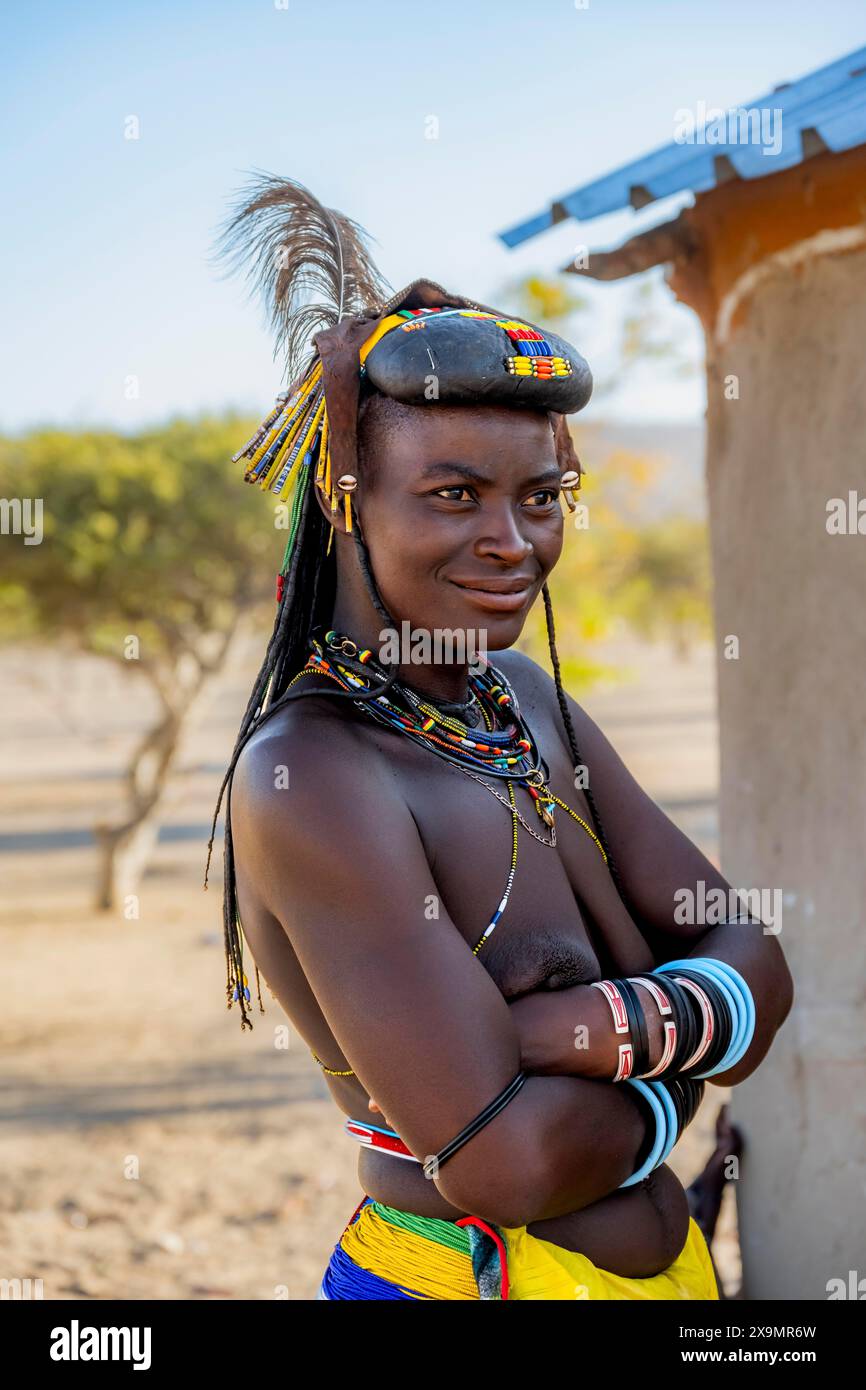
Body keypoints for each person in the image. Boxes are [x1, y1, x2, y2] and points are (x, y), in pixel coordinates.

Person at [207, 174, 794, 1300]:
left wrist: (578, 1029)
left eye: (541, 496)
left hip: (668, 1271)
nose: (512, 541)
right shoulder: (313, 775)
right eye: (454, 493)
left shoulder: (520, 698)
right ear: (345, 499)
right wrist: (685, 1052)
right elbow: (509, 1163)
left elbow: (753, 953)